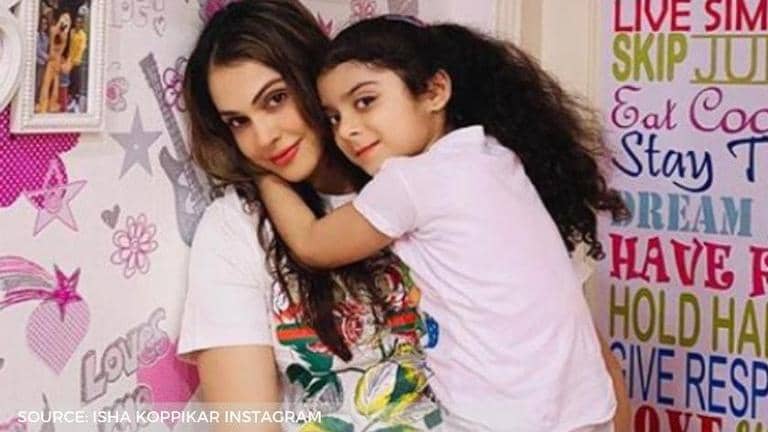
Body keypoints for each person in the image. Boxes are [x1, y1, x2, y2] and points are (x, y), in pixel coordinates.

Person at [257, 16, 630, 432]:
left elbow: (312, 244)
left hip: (501, 418)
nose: (348, 130)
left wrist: (262, 174)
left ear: (435, 91)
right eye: (333, 118)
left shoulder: (409, 181)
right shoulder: (494, 155)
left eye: (365, 102)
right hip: (585, 407)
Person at [177, 2, 443, 431]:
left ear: (314, 75)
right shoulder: (235, 227)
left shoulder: (422, 180)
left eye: (276, 99)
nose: (264, 137)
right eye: (238, 122)